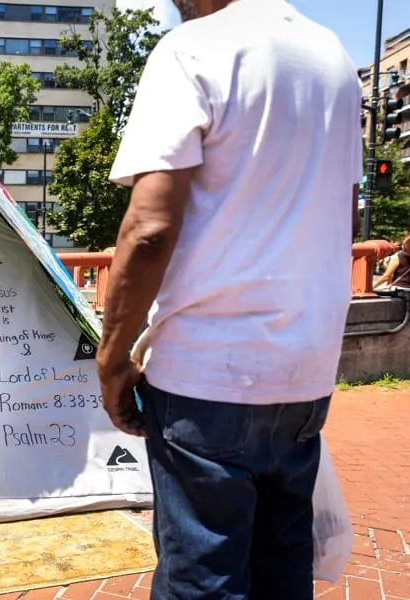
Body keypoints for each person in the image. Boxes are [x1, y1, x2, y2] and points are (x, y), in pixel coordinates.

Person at [96, 0, 362, 597]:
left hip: (207, 372)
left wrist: (113, 359)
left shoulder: (191, 48)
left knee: (202, 579)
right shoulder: (335, 60)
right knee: (283, 569)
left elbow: (149, 229)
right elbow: (339, 219)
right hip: (305, 373)